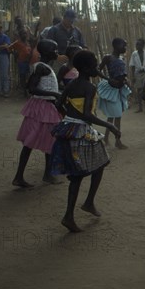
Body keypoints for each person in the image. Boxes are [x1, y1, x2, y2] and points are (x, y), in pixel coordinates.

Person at [50, 50, 121, 232]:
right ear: (85, 68)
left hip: (67, 129)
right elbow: (88, 114)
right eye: (94, 66)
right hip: (80, 131)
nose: (97, 69)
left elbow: (59, 105)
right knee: (84, 172)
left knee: (94, 165)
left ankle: (83, 206)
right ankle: (72, 213)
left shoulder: (71, 84)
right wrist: (110, 126)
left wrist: (70, 117)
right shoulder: (90, 88)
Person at [12, 39, 63, 187]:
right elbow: (31, 88)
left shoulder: (45, 67)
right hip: (42, 108)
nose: (57, 52)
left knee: (43, 141)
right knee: (43, 141)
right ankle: (43, 175)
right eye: (55, 50)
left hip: (43, 107)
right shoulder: (42, 68)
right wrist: (55, 94)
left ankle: (26, 176)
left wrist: (56, 93)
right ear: (47, 52)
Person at [97, 38, 131, 149]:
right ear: (116, 46)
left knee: (114, 116)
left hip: (119, 89)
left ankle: (107, 139)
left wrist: (126, 80)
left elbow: (121, 74)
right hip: (112, 89)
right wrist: (108, 79)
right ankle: (117, 141)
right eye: (123, 46)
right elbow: (98, 70)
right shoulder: (108, 58)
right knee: (116, 116)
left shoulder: (121, 58)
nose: (125, 48)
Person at [129, 38, 145, 113]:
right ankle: (140, 107)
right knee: (139, 90)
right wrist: (132, 76)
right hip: (137, 73)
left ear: (143, 45)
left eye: (139, 44)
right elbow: (132, 65)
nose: (137, 46)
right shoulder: (134, 54)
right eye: (136, 44)